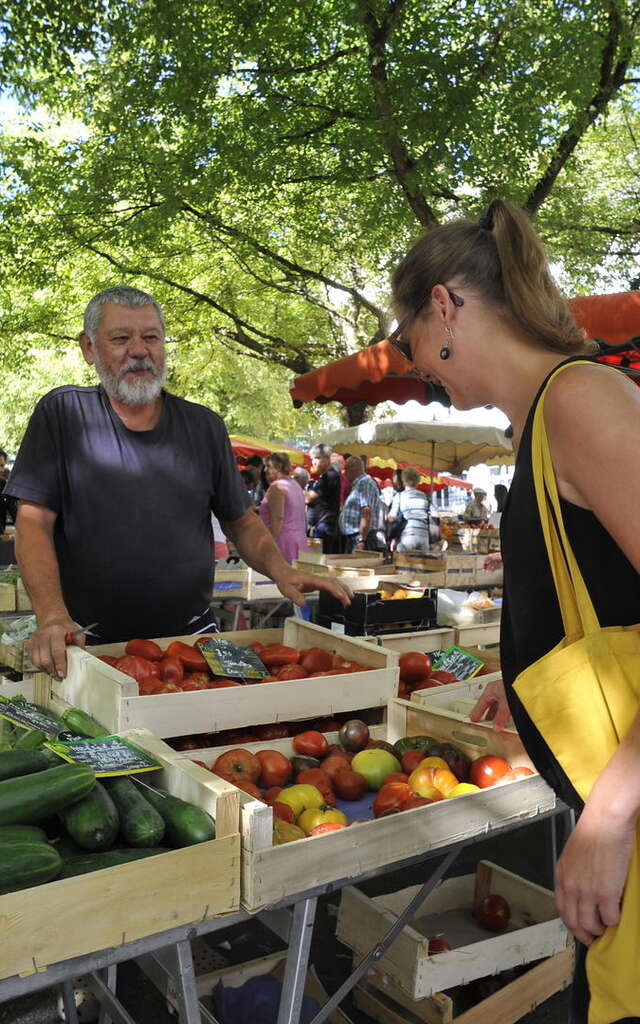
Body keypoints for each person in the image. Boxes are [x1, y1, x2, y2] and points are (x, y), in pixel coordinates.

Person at [389, 198, 640, 1022]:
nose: (418, 364)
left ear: (445, 305)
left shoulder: (578, 401)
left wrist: (606, 819)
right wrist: (522, 663)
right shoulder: (539, 419)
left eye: (411, 340)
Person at [5, 285, 350, 677]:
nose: (139, 350)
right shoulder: (63, 414)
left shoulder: (204, 426)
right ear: (88, 348)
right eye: (121, 338)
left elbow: (242, 521)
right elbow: (32, 522)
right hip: (86, 642)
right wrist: (52, 617)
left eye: (151, 337)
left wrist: (282, 570)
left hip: (191, 643)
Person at [259, 452, 308, 564]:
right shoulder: (295, 485)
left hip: (283, 543)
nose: (265, 470)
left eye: (268, 466)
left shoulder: (277, 487)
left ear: (279, 467)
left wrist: (269, 545)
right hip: (299, 541)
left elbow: (277, 518)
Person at [338, 456, 383, 552]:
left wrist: (362, 540)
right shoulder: (358, 484)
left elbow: (367, 512)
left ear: (356, 468)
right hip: (355, 537)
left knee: (358, 566)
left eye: (346, 469)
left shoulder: (365, 483)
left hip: (360, 538)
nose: (344, 472)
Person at [306, 444, 340, 553]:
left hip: (324, 527)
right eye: (312, 459)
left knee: (319, 563)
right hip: (320, 527)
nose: (314, 462)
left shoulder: (329, 476)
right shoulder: (324, 477)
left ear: (327, 458)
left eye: (317, 458)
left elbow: (308, 498)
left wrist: (295, 489)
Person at [388, 467, 431, 552]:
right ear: (418, 481)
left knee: (404, 563)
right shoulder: (424, 496)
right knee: (423, 563)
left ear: (404, 480)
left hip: (408, 534)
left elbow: (392, 517)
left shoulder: (399, 496)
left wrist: (386, 517)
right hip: (424, 536)